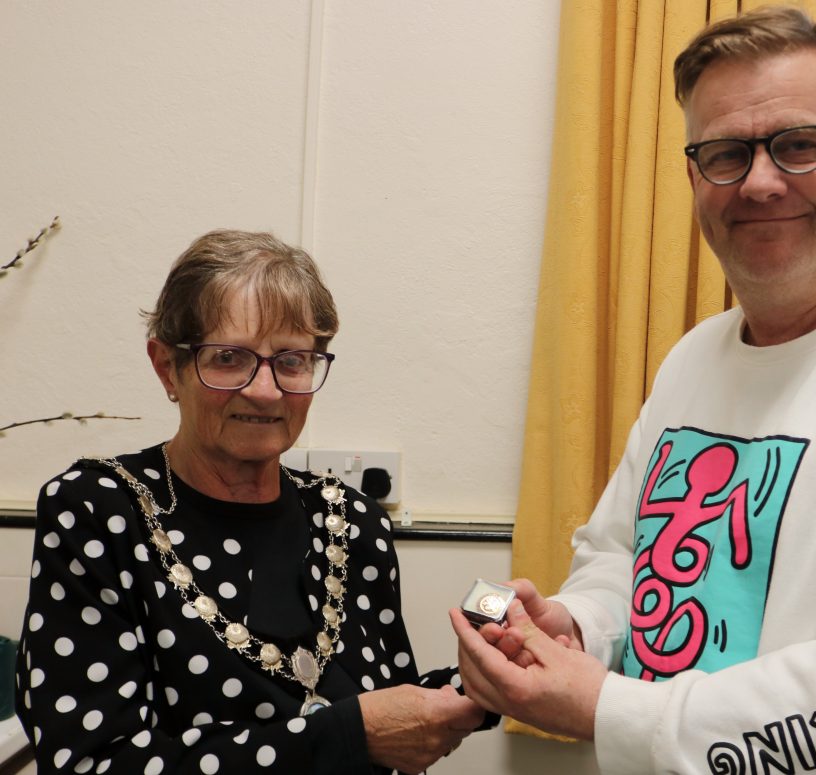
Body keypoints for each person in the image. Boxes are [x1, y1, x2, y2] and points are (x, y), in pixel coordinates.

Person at [450, 6, 816, 774]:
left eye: (796, 144)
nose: (758, 182)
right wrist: (577, 627)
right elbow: (623, 551)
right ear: (695, 178)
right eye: (726, 153)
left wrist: (607, 705)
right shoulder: (693, 359)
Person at [17, 229, 486, 775]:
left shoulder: (352, 521)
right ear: (167, 366)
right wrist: (341, 737)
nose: (265, 390)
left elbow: (390, 715)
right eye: (229, 358)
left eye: (291, 361)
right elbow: (94, 763)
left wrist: (481, 681)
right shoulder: (99, 512)